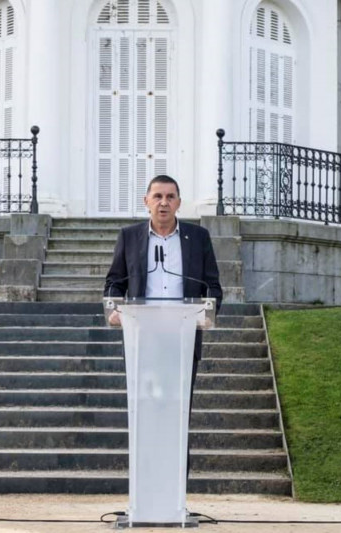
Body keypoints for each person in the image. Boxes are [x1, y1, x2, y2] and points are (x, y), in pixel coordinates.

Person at [103, 174, 223, 478]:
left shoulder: (198, 238)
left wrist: (208, 313)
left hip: (183, 337)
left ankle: (176, 493)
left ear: (179, 203)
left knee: (179, 415)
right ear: (146, 202)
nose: (164, 203)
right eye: (157, 196)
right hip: (142, 339)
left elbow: (213, 286)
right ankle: (145, 487)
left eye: (170, 197)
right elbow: (114, 283)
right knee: (147, 414)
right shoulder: (129, 237)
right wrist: (114, 309)